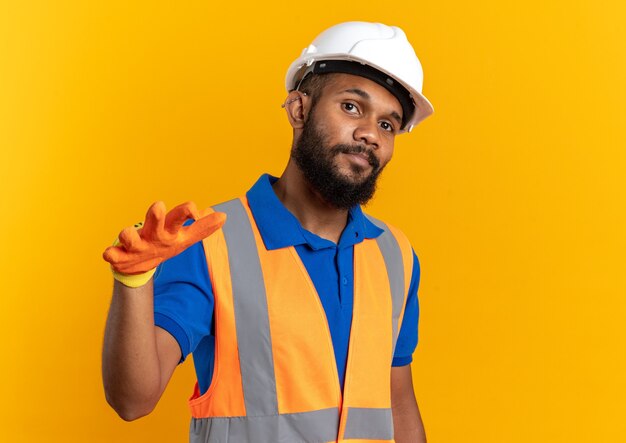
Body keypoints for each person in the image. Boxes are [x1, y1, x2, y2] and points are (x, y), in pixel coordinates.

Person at [102, 21, 434, 443]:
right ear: (299, 109)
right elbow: (132, 401)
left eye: (388, 124)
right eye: (352, 106)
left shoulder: (395, 256)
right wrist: (132, 282)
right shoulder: (211, 243)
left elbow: (399, 402)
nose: (370, 133)